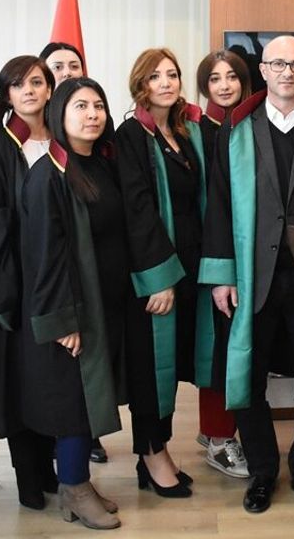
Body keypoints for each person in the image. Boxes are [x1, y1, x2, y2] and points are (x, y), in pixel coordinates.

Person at [200, 35, 294, 514]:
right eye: (278, 63)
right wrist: (222, 275)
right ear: (263, 71)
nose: (287, 72)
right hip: (253, 276)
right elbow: (218, 205)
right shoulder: (235, 131)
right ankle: (263, 470)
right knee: (248, 376)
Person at [17, 77, 123, 530]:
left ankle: (78, 484)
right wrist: (63, 320)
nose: (92, 114)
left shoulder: (98, 164)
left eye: (98, 105)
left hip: (100, 305)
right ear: (59, 113)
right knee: (73, 404)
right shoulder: (48, 175)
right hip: (69, 311)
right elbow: (44, 254)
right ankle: (74, 488)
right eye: (80, 106)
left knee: (88, 399)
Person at [115, 48, 210, 499]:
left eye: (172, 74)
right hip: (155, 274)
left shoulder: (183, 133)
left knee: (168, 369)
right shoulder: (131, 136)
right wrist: (160, 278)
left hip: (188, 267)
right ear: (141, 84)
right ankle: (152, 454)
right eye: (156, 76)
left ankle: (157, 451)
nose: (166, 83)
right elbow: (136, 210)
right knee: (150, 369)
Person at [0, 56, 60, 510]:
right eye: (18, 84)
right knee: (21, 382)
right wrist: (4, 289)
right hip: (18, 283)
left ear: (50, 89)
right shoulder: (0, 146)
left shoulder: (63, 139)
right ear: (6, 94)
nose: (29, 91)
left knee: (51, 381)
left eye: (37, 82)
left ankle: (49, 470)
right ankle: (29, 475)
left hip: (59, 280)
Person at [191, 49, 251, 479]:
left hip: (250, 253)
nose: (225, 85)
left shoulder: (253, 125)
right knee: (217, 349)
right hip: (211, 255)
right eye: (215, 79)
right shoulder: (197, 130)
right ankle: (217, 436)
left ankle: (216, 430)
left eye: (232, 77)